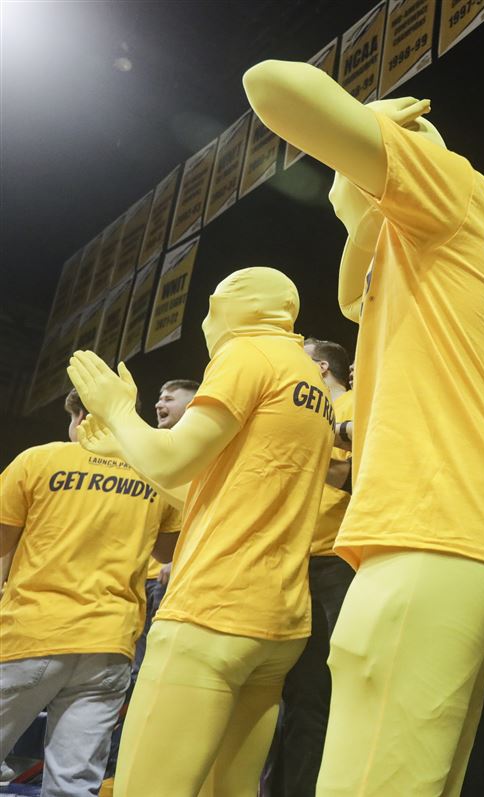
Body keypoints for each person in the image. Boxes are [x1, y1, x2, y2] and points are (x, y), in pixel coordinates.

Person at [243, 59, 484, 795]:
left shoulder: (451, 182)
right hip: (468, 529)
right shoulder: (436, 249)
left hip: (434, 530)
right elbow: (355, 295)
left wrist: (372, 121)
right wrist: (359, 207)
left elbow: (270, 84)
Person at [66, 266, 334, 796]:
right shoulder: (311, 384)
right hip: (278, 621)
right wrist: (126, 446)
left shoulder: (248, 353)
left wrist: (118, 411)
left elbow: (172, 460)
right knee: (229, 790)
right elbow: (210, 494)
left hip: (213, 608)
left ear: (228, 307)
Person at [0, 389, 177, 797]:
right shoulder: (154, 474)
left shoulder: (39, 460)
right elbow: (168, 551)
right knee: (74, 785)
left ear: (79, 416)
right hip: (109, 644)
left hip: (33, 631)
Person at [266, 337, 354, 797]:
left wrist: (294, 448)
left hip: (339, 561)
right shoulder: (303, 412)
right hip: (293, 562)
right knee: (298, 695)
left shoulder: (355, 404)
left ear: (320, 368)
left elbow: (349, 473)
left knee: (334, 690)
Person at [133, 379, 198, 674]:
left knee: (152, 665)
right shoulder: (152, 447)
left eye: (170, 399)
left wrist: (175, 560)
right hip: (139, 576)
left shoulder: (203, 450)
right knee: (132, 664)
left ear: (193, 405)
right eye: (160, 398)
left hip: (170, 576)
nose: (159, 404)